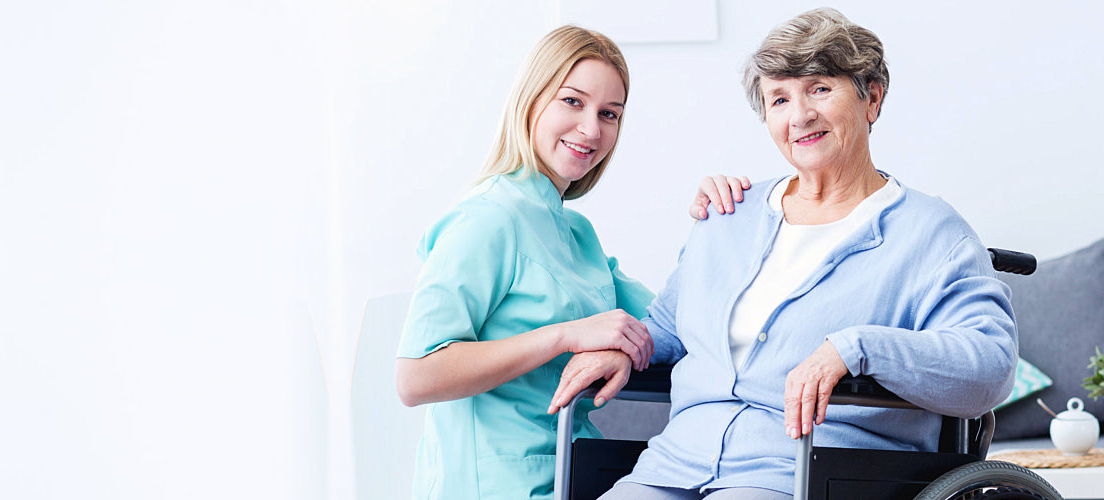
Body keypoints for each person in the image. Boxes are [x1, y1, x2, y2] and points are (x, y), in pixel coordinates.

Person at [550, 9, 1017, 500]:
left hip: (807, 475)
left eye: (819, 88)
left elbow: (989, 365)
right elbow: (670, 327)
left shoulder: (931, 234)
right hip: (674, 465)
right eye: (779, 98)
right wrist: (620, 343)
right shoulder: (730, 213)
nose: (799, 115)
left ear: (871, 98)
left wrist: (856, 348)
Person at [393, 26, 748, 499]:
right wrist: (564, 335)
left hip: (575, 471)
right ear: (532, 100)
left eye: (609, 114)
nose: (592, 130)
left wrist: (720, 222)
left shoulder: (576, 233)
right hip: (494, 484)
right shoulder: (486, 219)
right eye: (573, 102)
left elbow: (673, 323)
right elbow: (416, 376)